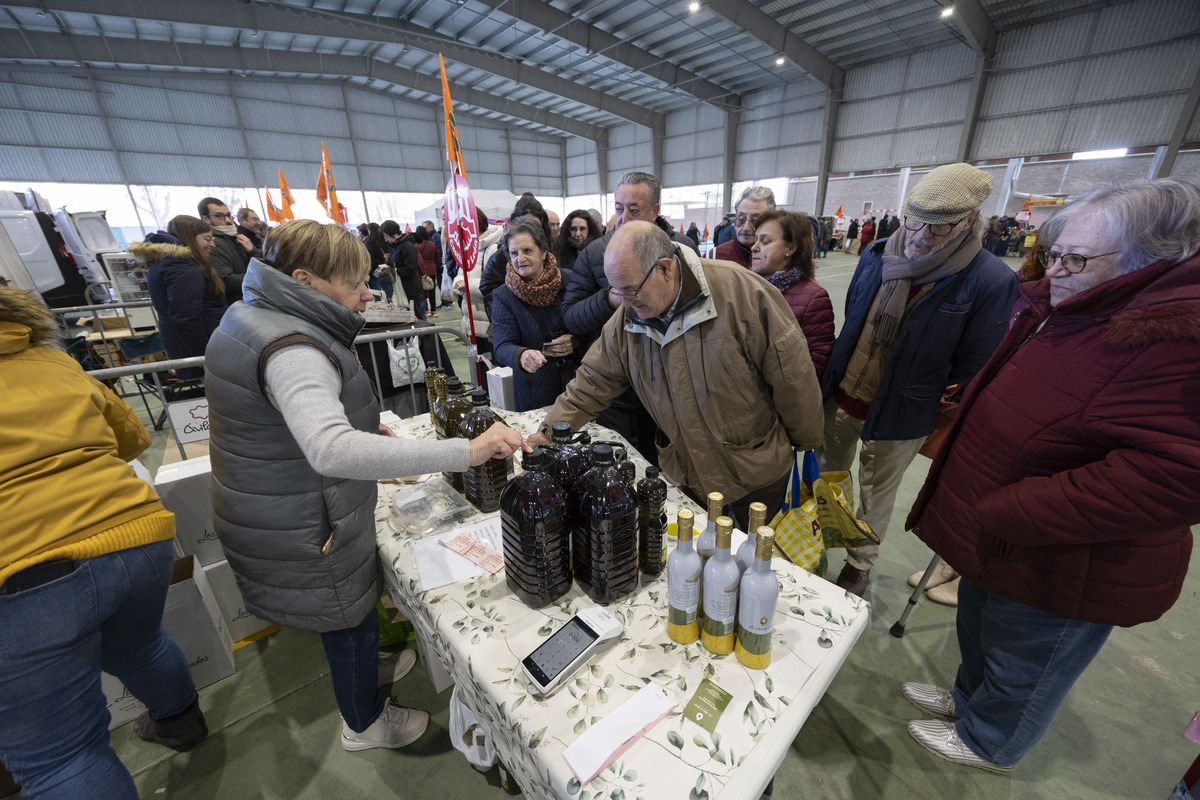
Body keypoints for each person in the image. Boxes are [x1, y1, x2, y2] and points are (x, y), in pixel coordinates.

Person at [901, 178, 1200, 774]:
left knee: (1025, 663)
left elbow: (1173, 475)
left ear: (1153, 261)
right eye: (1054, 253)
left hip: (1063, 554)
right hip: (1007, 536)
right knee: (981, 633)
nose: (1054, 269)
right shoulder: (1073, 310)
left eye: (1076, 259)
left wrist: (1017, 509)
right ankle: (966, 705)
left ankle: (992, 743)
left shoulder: (1175, 343)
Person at [205, 219, 526, 753]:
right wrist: (466, 451)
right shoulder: (292, 347)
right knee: (346, 621)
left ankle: (368, 667)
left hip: (279, 499)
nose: (366, 294)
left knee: (351, 620)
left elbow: (286, 419)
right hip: (304, 520)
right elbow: (329, 448)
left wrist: (354, 422)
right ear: (305, 279)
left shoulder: (254, 315)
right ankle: (364, 722)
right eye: (353, 283)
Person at [0, 286, 206, 799]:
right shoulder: (49, 360)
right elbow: (133, 438)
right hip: (135, 532)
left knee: (60, 758)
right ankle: (180, 723)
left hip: (24, 567)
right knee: (142, 646)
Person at [533, 221, 823, 529]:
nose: (623, 302)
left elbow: (793, 378)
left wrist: (806, 439)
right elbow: (590, 384)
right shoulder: (627, 319)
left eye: (630, 290)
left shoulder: (744, 293)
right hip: (689, 475)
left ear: (666, 268)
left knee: (758, 559)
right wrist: (548, 434)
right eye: (616, 291)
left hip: (757, 472)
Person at [820, 162, 1020, 596]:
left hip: (902, 411)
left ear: (970, 221)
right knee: (828, 478)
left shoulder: (989, 279)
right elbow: (854, 318)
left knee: (875, 494)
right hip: (843, 395)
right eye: (915, 222)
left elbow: (974, 361)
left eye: (941, 228)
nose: (922, 236)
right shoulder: (876, 255)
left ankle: (859, 565)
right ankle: (822, 540)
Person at [560, 171, 699, 462]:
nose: (624, 217)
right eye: (619, 208)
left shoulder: (683, 249)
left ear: (655, 211)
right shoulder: (595, 253)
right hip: (616, 382)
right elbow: (571, 317)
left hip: (669, 381)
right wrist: (611, 298)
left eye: (634, 209)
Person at [491, 218, 578, 411]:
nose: (520, 259)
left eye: (527, 251)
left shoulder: (570, 280)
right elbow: (501, 345)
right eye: (514, 253)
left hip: (577, 382)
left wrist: (576, 340)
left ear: (544, 252)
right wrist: (521, 355)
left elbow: (591, 324)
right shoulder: (504, 295)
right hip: (535, 388)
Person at [131, 215, 226, 380]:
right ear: (189, 238)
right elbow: (185, 316)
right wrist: (203, 355)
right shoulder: (181, 267)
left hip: (190, 345)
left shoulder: (167, 262)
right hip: (203, 349)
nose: (212, 244)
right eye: (207, 239)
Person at [750, 210, 835, 381]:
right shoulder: (746, 285)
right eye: (755, 239)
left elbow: (814, 366)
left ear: (790, 248)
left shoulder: (814, 299)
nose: (754, 247)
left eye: (765, 241)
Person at [480, 193, 555, 314]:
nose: (529, 227)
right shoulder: (504, 253)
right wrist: (513, 298)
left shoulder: (550, 244)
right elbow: (487, 285)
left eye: (534, 223)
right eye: (525, 222)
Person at [200, 197, 261, 305]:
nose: (228, 221)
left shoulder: (237, 237)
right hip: (236, 305)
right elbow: (226, 281)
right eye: (219, 216)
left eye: (228, 215)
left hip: (249, 300)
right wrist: (260, 275)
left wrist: (252, 250)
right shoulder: (212, 244)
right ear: (206, 219)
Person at [715, 186, 775, 268]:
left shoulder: (783, 260)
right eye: (741, 219)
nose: (746, 228)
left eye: (755, 220)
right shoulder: (714, 258)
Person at [381, 220, 422, 318]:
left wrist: (392, 272)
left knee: (416, 317)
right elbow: (392, 264)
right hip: (400, 288)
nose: (386, 239)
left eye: (386, 236)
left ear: (394, 234)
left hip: (410, 289)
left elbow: (411, 269)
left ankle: (427, 333)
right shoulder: (395, 246)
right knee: (406, 317)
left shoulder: (407, 247)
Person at [556, 209, 602, 277]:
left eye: (582, 229)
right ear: (568, 230)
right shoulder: (560, 249)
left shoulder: (597, 250)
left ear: (589, 230)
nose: (578, 233)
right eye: (573, 229)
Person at [357, 223, 392, 302]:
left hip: (376, 269)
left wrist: (370, 272)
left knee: (377, 289)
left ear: (369, 231)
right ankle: (390, 302)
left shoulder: (369, 243)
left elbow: (371, 260)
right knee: (388, 287)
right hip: (385, 267)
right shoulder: (384, 240)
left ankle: (380, 304)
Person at [413, 226, 440, 318]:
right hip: (432, 270)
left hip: (422, 271)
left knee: (423, 292)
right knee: (432, 291)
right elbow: (437, 258)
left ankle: (426, 310)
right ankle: (434, 311)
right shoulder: (432, 244)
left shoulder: (416, 246)